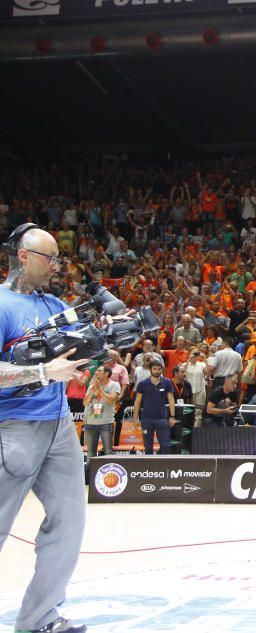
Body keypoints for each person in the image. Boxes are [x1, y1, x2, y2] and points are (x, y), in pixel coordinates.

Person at [0, 224, 93, 633]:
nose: (55, 265)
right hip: (15, 427)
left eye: (57, 258)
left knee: (70, 523)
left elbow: (69, 355)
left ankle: (39, 619)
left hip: (58, 427)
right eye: (48, 257)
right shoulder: (2, 305)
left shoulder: (53, 303)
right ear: (22, 255)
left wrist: (101, 342)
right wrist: (39, 371)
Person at [132, 357, 177, 455]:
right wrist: (135, 418)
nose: (157, 371)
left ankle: (163, 467)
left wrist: (172, 416)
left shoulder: (167, 382)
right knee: (148, 446)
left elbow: (171, 400)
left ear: (162, 369)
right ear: (150, 369)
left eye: (159, 369)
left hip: (162, 418)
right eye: (155, 369)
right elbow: (137, 401)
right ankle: (150, 468)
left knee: (165, 445)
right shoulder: (143, 384)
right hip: (146, 419)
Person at [83, 364, 120, 461]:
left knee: (108, 451)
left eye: (99, 371)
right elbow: (85, 402)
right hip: (90, 422)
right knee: (90, 451)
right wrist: (92, 392)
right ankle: (89, 474)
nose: (96, 372)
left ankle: (108, 473)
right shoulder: (91, 386)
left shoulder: (114, 385)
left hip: (106, 423)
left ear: (107, 373)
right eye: (96, 371)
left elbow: (111, 400)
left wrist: (100, 391)